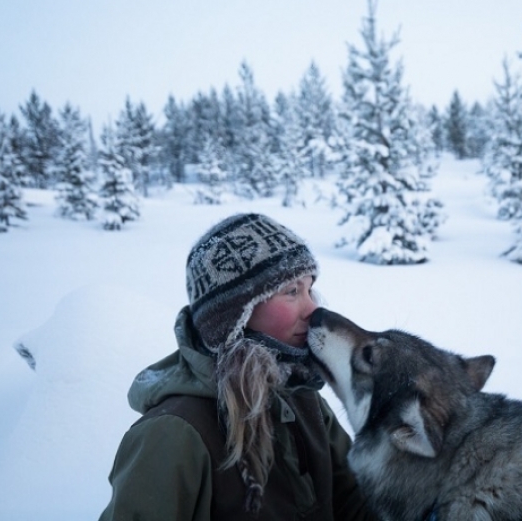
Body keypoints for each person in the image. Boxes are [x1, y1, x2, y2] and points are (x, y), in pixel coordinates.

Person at [99, 213, 377, 521]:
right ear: (233, 315)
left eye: (309, 289)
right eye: (292, 292)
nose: (313, 309)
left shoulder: (300, 396)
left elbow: (355, 504)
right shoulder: (172, 435)